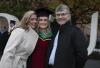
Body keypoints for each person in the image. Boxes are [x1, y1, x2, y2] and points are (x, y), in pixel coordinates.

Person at [46, 4, 88, 68]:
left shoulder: (76, 32)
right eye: (58, 15)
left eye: (63, 14)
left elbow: (82, 56)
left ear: (69, 15)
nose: (60, 17)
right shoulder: (54, 30)